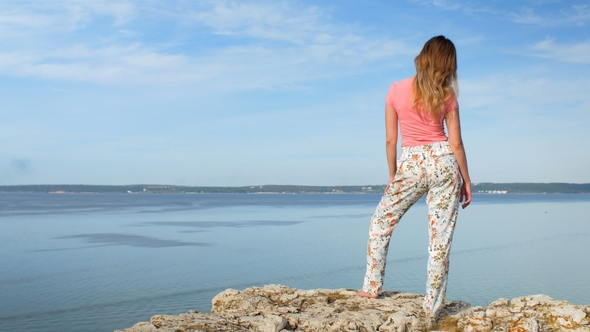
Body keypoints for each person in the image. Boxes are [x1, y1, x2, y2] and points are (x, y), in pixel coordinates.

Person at [357, 35, 472, 319]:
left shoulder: (396, 89)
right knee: (439, 240)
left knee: (381, 223)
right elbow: (455, 143)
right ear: (447, 64)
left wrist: (392, 175)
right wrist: (467, 180)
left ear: (423, 56)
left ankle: (372, 287)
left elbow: (390, 140)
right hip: (445, 163)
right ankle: (432, 308)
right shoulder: (447, 94)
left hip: (411, 162)